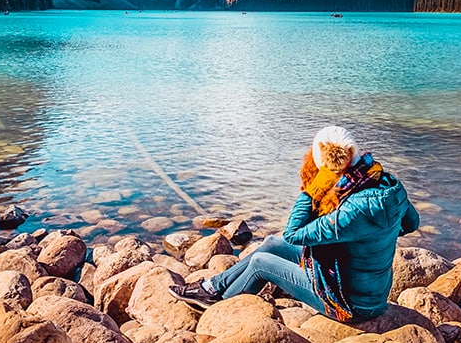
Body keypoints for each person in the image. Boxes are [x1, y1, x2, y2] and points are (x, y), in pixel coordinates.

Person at [169, 125, 420, 321]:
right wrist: (373, 239)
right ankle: (213, 286)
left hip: (350, 304)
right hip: (369, 290)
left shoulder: (351, 210)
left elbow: (294, 233)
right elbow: (411, 224)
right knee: (269, 243)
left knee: (260, 262)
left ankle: (220, 305)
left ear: (326, 167)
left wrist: (313, 191)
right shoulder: (387, 185)